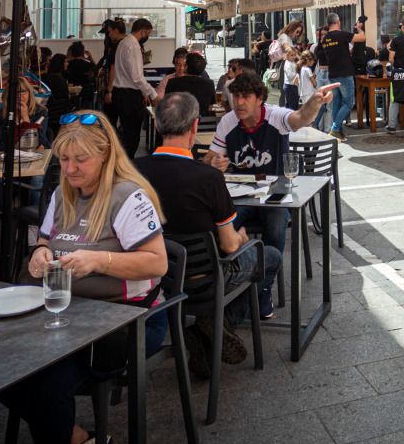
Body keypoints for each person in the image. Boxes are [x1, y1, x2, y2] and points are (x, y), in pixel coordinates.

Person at [12, 112, 168, 444]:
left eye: (80, 159)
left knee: (43, 379)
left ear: (105, 155)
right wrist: (39, 252)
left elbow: (157, 263)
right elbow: (45, 238)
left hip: (124, 321)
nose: (70, 168)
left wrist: (98, 259)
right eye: (64, 159)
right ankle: (77, 439)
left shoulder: (127, 196)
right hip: (65, 313)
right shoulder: (62, 193)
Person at [141, 92, 282, 337]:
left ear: (156, 124)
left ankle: (211, 329)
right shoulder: (208, 178)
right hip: (205, 279)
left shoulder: (133, 171)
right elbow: (229, 246)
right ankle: (221, 325)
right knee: (270, 255)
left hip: (154, 276)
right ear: (195, 126)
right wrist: (242, 238)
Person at [205, 73, 334, 316]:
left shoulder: (275, 116)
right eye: (236, 97)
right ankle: (230, 283)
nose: (239, 102)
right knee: (219, 226)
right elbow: (210, 157)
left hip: (275, 195)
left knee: (276, 224)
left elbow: (299, 119)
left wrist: (315, 101)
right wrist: (214, 163)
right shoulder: (228, 122)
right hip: (241, 195)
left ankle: (263, 290)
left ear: (259, 99)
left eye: (246, 97)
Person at [110, 18, 159, 157]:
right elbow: (137, 77)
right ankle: (128, 166)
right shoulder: (133, 45)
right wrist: (152, 94)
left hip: (120, 93)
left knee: (127, 133)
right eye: (148, 33)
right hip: (129, 95)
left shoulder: (123, 43)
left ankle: (125, 164)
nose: (147, 37)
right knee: (132, 135)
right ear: (143, 32)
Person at [316, 12, 359, 135]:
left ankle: (337, 130)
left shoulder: (325, 39)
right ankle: (335, 128)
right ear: (338, 22)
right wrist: (359, 28)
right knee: (349, 103)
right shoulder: (341, 35)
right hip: (345, 73)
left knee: (336, 103)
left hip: (332, 74)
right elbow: (362, 37)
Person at [165, 51, 217, 116]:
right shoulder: (210, 84)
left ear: (186, 67)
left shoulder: (172, 82)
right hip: (204, 124)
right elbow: (211, 107)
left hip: (179, 123)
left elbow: (166, 105)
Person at [64, 41, 96, 108]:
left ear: (72, 52)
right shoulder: (89, 65)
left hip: (72, 96)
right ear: (82, 52)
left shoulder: (68, 65)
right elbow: (96, 72)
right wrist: (91, 58)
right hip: (87, 96)